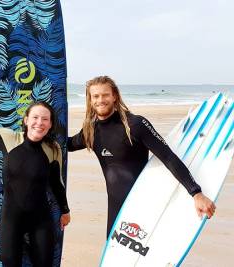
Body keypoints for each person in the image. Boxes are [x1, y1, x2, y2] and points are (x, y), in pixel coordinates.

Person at [68, 75, 216, 236]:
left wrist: (196, 193)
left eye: (105, 95)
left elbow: (167, 157)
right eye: (95, 96)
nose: (100, 100)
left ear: (114, 96)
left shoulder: (135, 125)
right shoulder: (91, 131)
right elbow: (67, 145)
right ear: (90, 100)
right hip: (116, 208)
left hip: (143, 203)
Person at [0, 73, 70, 267]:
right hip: (11, 219)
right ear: (26, 120)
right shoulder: (8, 138)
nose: (40, 122)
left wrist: (65, 210)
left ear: (50, 124)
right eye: (36, 117)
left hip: (41, 220)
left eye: (45, 119)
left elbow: (56, 183)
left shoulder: (53, 149)